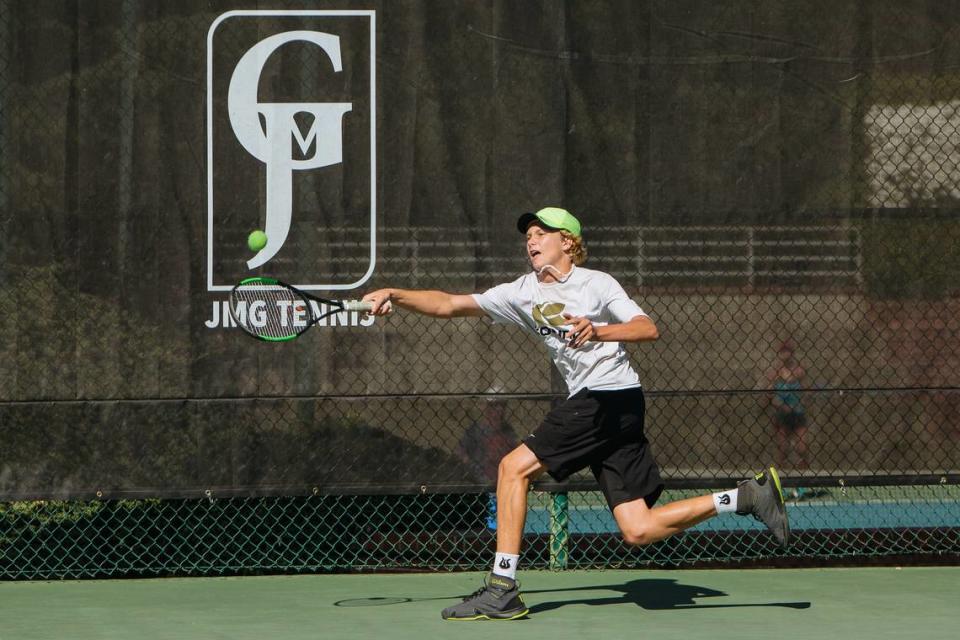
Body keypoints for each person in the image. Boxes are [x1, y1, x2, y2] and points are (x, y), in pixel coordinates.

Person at [362, 206, 790, 621]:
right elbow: (449, 304)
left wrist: (598, 329)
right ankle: (746, 497)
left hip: (606, 397)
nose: (531, 240)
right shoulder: (521, 292)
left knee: (513, 469)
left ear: (567, 242)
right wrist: (395, 294)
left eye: (541, 233)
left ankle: (501, 588)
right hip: (612, 408)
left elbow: (647, 328)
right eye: (528, 235)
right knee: (637, 529)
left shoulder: (596, 285)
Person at [457, 385, 519, 529]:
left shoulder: (508, 431)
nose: (498, 410)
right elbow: (460, 451)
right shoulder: (476, 430)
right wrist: (474, 468)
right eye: (493, 405)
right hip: (480, 486)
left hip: (503, 485)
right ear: (486, 407)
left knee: (506, 525)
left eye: (501, 405)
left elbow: (516, 450)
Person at [766, 340, 810, 497]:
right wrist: (778, 403)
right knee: (782, 451)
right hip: (782, 416)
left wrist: (800, 403)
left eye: (788, 351)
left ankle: (801, 487)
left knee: (802, 448)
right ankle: (780, 488)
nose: (785, 355)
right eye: (782, 351)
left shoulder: (799, 371)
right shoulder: (775, 373)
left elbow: (805, 391)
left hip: (798, 415)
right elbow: (769, 394)